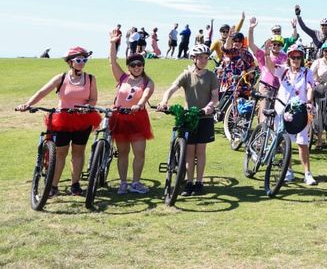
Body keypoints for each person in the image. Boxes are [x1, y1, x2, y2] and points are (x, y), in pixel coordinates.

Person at [16, 47, 101, 197]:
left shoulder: (90, 78)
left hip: (83, 119)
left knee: (78, 152)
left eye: (84, 60)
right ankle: (53, 185)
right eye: (78, 60)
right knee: (60, 153)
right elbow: (42, 92)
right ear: (70, 62)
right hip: (62, 118)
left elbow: (93, 99)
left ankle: (75, 185)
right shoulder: (61, 78)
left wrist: (88, 107)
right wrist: (28, 104)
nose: (82, 63)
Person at [156, 44, 220, 196]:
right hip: (188, 117)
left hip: (204, 117)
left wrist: (209, 107)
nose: (203, 60)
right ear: (194, 59)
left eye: (206, 57)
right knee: (189, 152)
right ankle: (189, 182)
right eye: (200, 58)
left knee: (201, 150)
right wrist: (164, 101)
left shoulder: (211, 76)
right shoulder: (186, 74)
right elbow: (171, 88)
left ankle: (199, 182)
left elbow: (215, 97)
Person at [107, 30, 155, 194]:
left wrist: (140, 104)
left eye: (139, 65)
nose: (136, 67)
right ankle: (122, 183)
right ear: (128, 67)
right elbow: (112, 61)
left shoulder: (148, 81)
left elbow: (146, 94)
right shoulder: (122, 78)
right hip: (120, 117)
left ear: (143, 66)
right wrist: (113, 43)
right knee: (123, 153)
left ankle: (135, 182)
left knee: (139, 152)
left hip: (137, 118)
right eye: (133, 65)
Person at [262, 43, 316, 185]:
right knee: (285, 141)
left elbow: (310, 87)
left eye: (298, 57)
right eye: (293, 57)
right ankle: (288, 171)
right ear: (289, 58)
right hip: (282, 109)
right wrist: (267, 54)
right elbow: (270, 68)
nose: (296, 60)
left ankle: (307, 173)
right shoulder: (283, 70)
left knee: (302, 142)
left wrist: (309, 101)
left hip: (300, 111)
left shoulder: (306, 72)